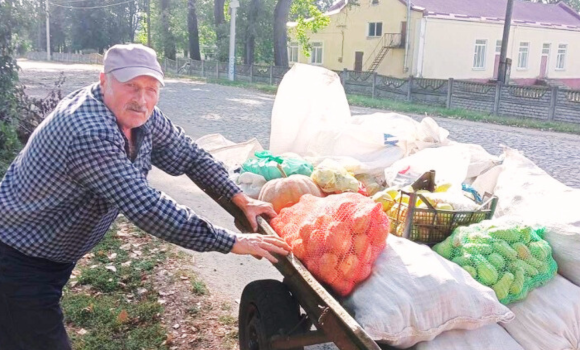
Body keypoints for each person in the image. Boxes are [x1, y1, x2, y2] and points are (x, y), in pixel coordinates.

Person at [0, 44, 290, 349]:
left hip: (48, 253)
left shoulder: (139, 114)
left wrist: (238, 195)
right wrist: (230, 241)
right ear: (104, 81)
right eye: (132, 87)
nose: (142, 99)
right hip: (18, 257)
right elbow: (147, 206)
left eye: (151, 89)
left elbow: (188, 154)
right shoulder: (87, 131)